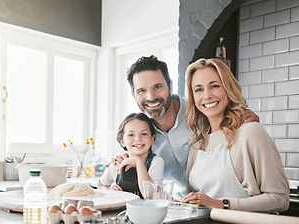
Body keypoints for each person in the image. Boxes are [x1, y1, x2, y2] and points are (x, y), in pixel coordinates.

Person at [111, 55, 259, 198]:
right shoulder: (141, 133)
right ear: (133, 95)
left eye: (157, 87)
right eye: (141, 90)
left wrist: (245, 117)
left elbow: (234, 121)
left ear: (170, 86)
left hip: (223, 202)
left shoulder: (201, 109)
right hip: (178, 206)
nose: (151, 97)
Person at [181, 58, 289, 212]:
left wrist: (221, 205)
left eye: (215, 86)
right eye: (198, 89)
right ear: (193, 97)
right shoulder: (196, 145)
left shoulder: (250, 132)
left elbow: (280, 199)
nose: (207, 96)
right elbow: (199, 202)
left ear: (228, 88)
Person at [97, 113, 164, 198]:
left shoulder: (156, 162)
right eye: (131, 135)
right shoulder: (118, 163)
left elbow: (149, 196)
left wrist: (138, 162)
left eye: (144, 134)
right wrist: (109, 190)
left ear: (152, 139)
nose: (138, 139)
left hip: (146, 210)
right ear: (122, 141)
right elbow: (100, 184)